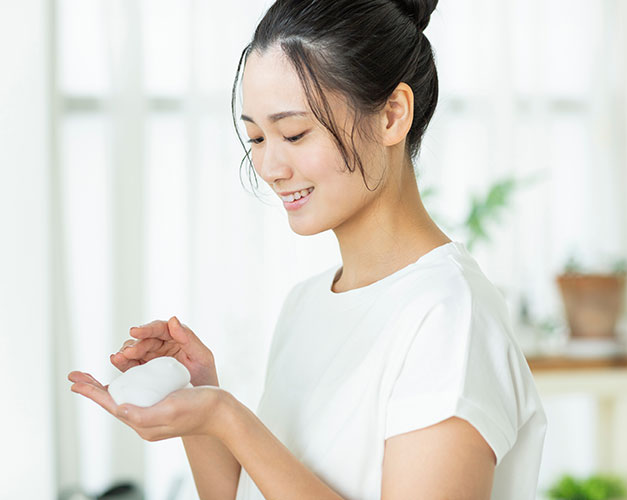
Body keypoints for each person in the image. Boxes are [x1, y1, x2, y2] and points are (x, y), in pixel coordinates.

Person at [68, 0, 547, 498]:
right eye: (256, 138)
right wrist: (200, 396)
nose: (270, 168)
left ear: (392, 115)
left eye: (294, 134)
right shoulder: (306, 303)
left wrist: (229, 418)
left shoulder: (449, 317)